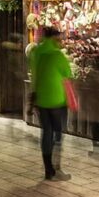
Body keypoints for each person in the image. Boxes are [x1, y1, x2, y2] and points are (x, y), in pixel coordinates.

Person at [28, 27, 73, 181]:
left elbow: (33, 74)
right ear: (53, 38)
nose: (60, 40)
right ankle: (57, 169)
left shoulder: (36, 52)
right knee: (58, 134)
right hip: (57, 99)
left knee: (46, 133)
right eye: (58, 37)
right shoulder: (57, 55)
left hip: (41, 98)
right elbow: (68, 74)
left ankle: (48, 170)